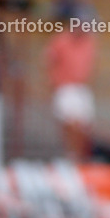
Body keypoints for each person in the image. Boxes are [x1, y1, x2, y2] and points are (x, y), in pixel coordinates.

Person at [45, 22, 97, 161]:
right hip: (65, 86)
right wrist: (53, 81)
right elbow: (50, 60)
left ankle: (80, 156)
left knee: (85, 125)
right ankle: (70, 154)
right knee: (70, 123)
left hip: (81, 87)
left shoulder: (88, 41)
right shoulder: (61, 40)